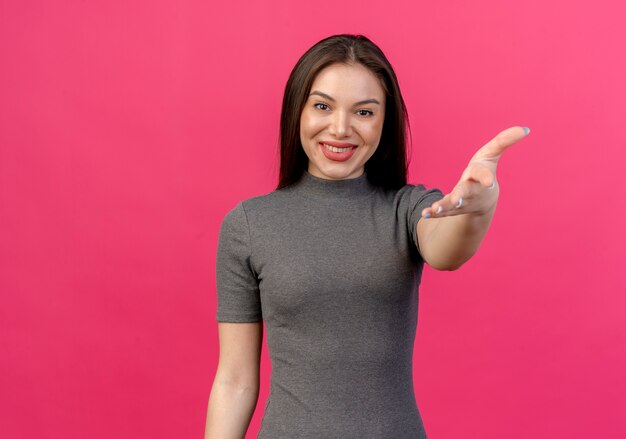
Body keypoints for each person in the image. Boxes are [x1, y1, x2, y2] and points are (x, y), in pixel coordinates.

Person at [204, 34, 529, 438]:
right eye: (322, 106)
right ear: (297, 112)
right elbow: (235, 381)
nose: (340, 129)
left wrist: (481, 205)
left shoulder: (407, 209)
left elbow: (446, 250)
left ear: (384, 122)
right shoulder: (249, 225)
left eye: (364, 112)